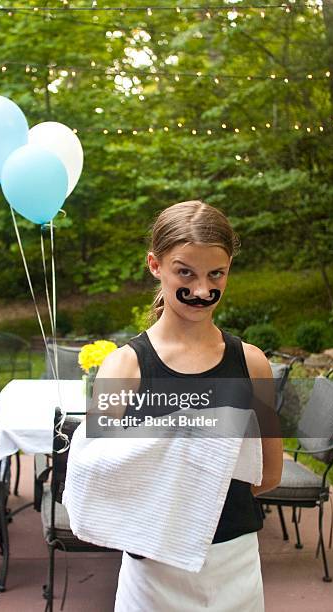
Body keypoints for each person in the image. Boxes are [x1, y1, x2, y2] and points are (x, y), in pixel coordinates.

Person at [96, 200, 283, 611]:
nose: (202, 290)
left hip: (234, 567)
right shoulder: (122, 367)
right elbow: (101, 480)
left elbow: (269, 473)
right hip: (152, 574)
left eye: (216, 274)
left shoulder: (252, 364)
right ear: (155, 265)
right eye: (186, 272)